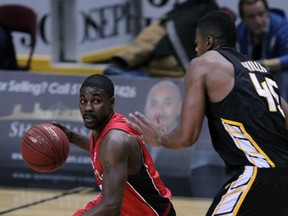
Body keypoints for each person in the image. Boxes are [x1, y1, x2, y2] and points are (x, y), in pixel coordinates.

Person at [127, 10, 288, 215]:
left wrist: (160, 137)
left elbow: (187, 136)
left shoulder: (203, 64)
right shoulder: (259, 69)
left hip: (258, 172)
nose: (195, 49)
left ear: (209, 41)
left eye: (196, 43)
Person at [53, 74, 175, 216]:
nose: (88, 107)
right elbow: (101, 151)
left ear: (111, 102)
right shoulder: (105, 129)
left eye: (96, 101)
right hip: (124, 207)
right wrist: (72, 137)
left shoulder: (115, 141)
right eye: (83, 101)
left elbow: (111, 208)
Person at [237, 0, 288, 73]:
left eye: (260, 14)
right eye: (251, 17)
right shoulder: (240, 31)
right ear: (243, 19)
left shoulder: (281, 26)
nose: (258, 21)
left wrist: (263, 64)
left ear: (267, 12)